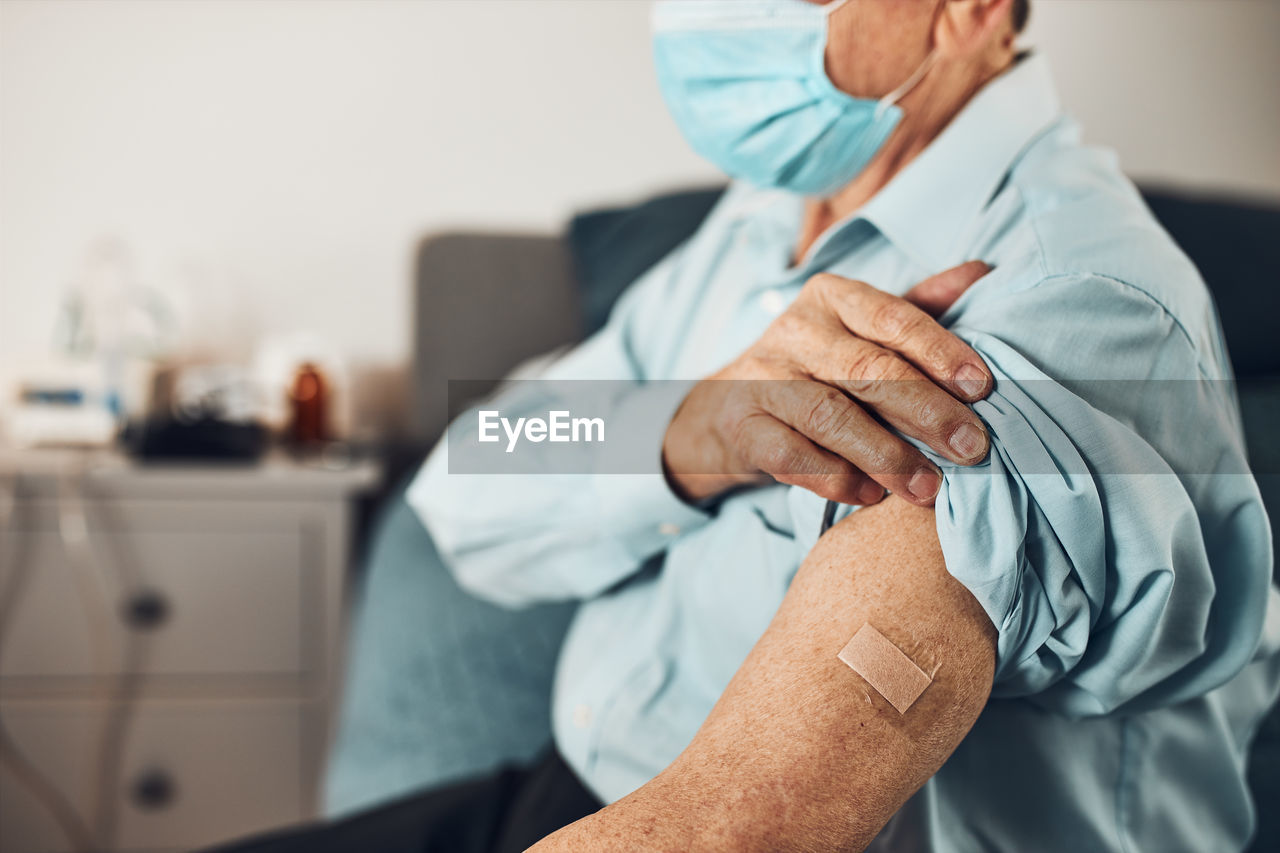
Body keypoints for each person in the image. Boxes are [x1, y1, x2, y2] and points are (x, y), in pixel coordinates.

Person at [214, 0, 1280, 850]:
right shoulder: (758, 223)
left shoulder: (1071, 291)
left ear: (966, 9)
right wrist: (692, 430)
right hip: (565, 790)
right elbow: (471, 471)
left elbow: (738, 828)